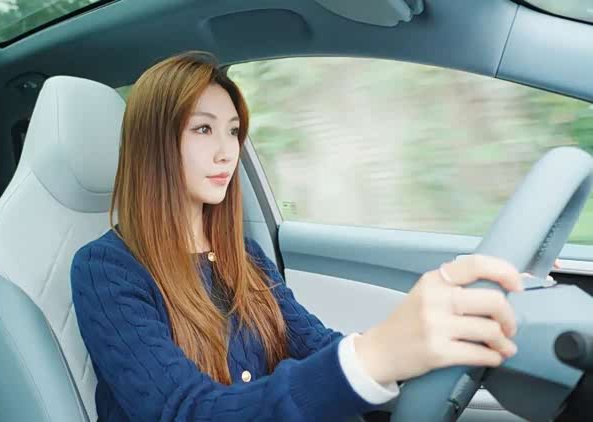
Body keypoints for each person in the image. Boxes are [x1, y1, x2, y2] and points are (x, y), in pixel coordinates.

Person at [70, 51, 526, 421]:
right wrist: (374, 355)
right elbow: (186, 412)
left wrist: (428, 341)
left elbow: (315, 343)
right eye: (203, 129)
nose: (227, 151)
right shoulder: (106, 269)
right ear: (154, 142)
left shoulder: (242, 255)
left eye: (233, 131)